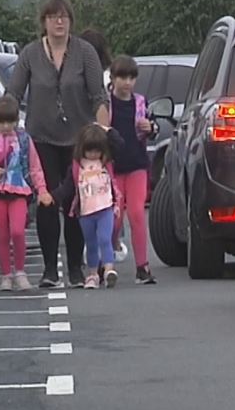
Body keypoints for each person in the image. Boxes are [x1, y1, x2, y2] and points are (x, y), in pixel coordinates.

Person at [7, 0, 110, 288]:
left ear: (70, 21)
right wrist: (3, 124)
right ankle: (50, 268)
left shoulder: (85, 52)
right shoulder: (30, 54)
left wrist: (103, 132)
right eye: (53, 17)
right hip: (42, 138)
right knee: (47, 201)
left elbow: (98, 96)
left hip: (79, 140)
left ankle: (76, 267)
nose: (59, 22)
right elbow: (13, 92)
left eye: (64, 17)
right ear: (44, 22)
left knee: (77, 202)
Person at [0, 95, 54, 291]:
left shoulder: (24, 139)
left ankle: (20, 271)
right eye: (2, 121)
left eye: (10, 121)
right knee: (1, 234)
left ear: (17, 120)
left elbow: (35, 167)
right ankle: (6, 275)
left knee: (17, 231)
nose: (6, 126)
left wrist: (42, 190)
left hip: (18, 189)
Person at [53, 124, 125, 289]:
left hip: (105, 208)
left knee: (105, 239)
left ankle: (108, 269)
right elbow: (68, 187)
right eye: (89, 151)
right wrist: (54, 196)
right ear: (82, 149)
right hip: (86, 212)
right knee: (91, 243)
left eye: (97, 151)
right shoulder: (78, 167)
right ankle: (93, 274)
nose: (93, 155)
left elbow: (120, 145)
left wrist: (107, 130)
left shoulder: (106, 163)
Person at [107, 55, 159, 285]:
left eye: (131, 78)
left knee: (137, 213)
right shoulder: (107, 104)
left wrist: (151, 127)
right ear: (113, 78)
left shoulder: (140, 102)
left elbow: (152, 126)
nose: (126, 82)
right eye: (121, 77)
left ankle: (142, 266)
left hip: (137, 164)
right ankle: (106, 257)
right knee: (115, 217)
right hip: (113, 167)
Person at [80, 28, 130, 265]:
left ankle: (92, 247)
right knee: (109, 190)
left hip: (86, 137)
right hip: (107, 138)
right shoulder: (108, 76)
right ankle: (114, 241)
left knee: (87, 190)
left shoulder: (83, 73)